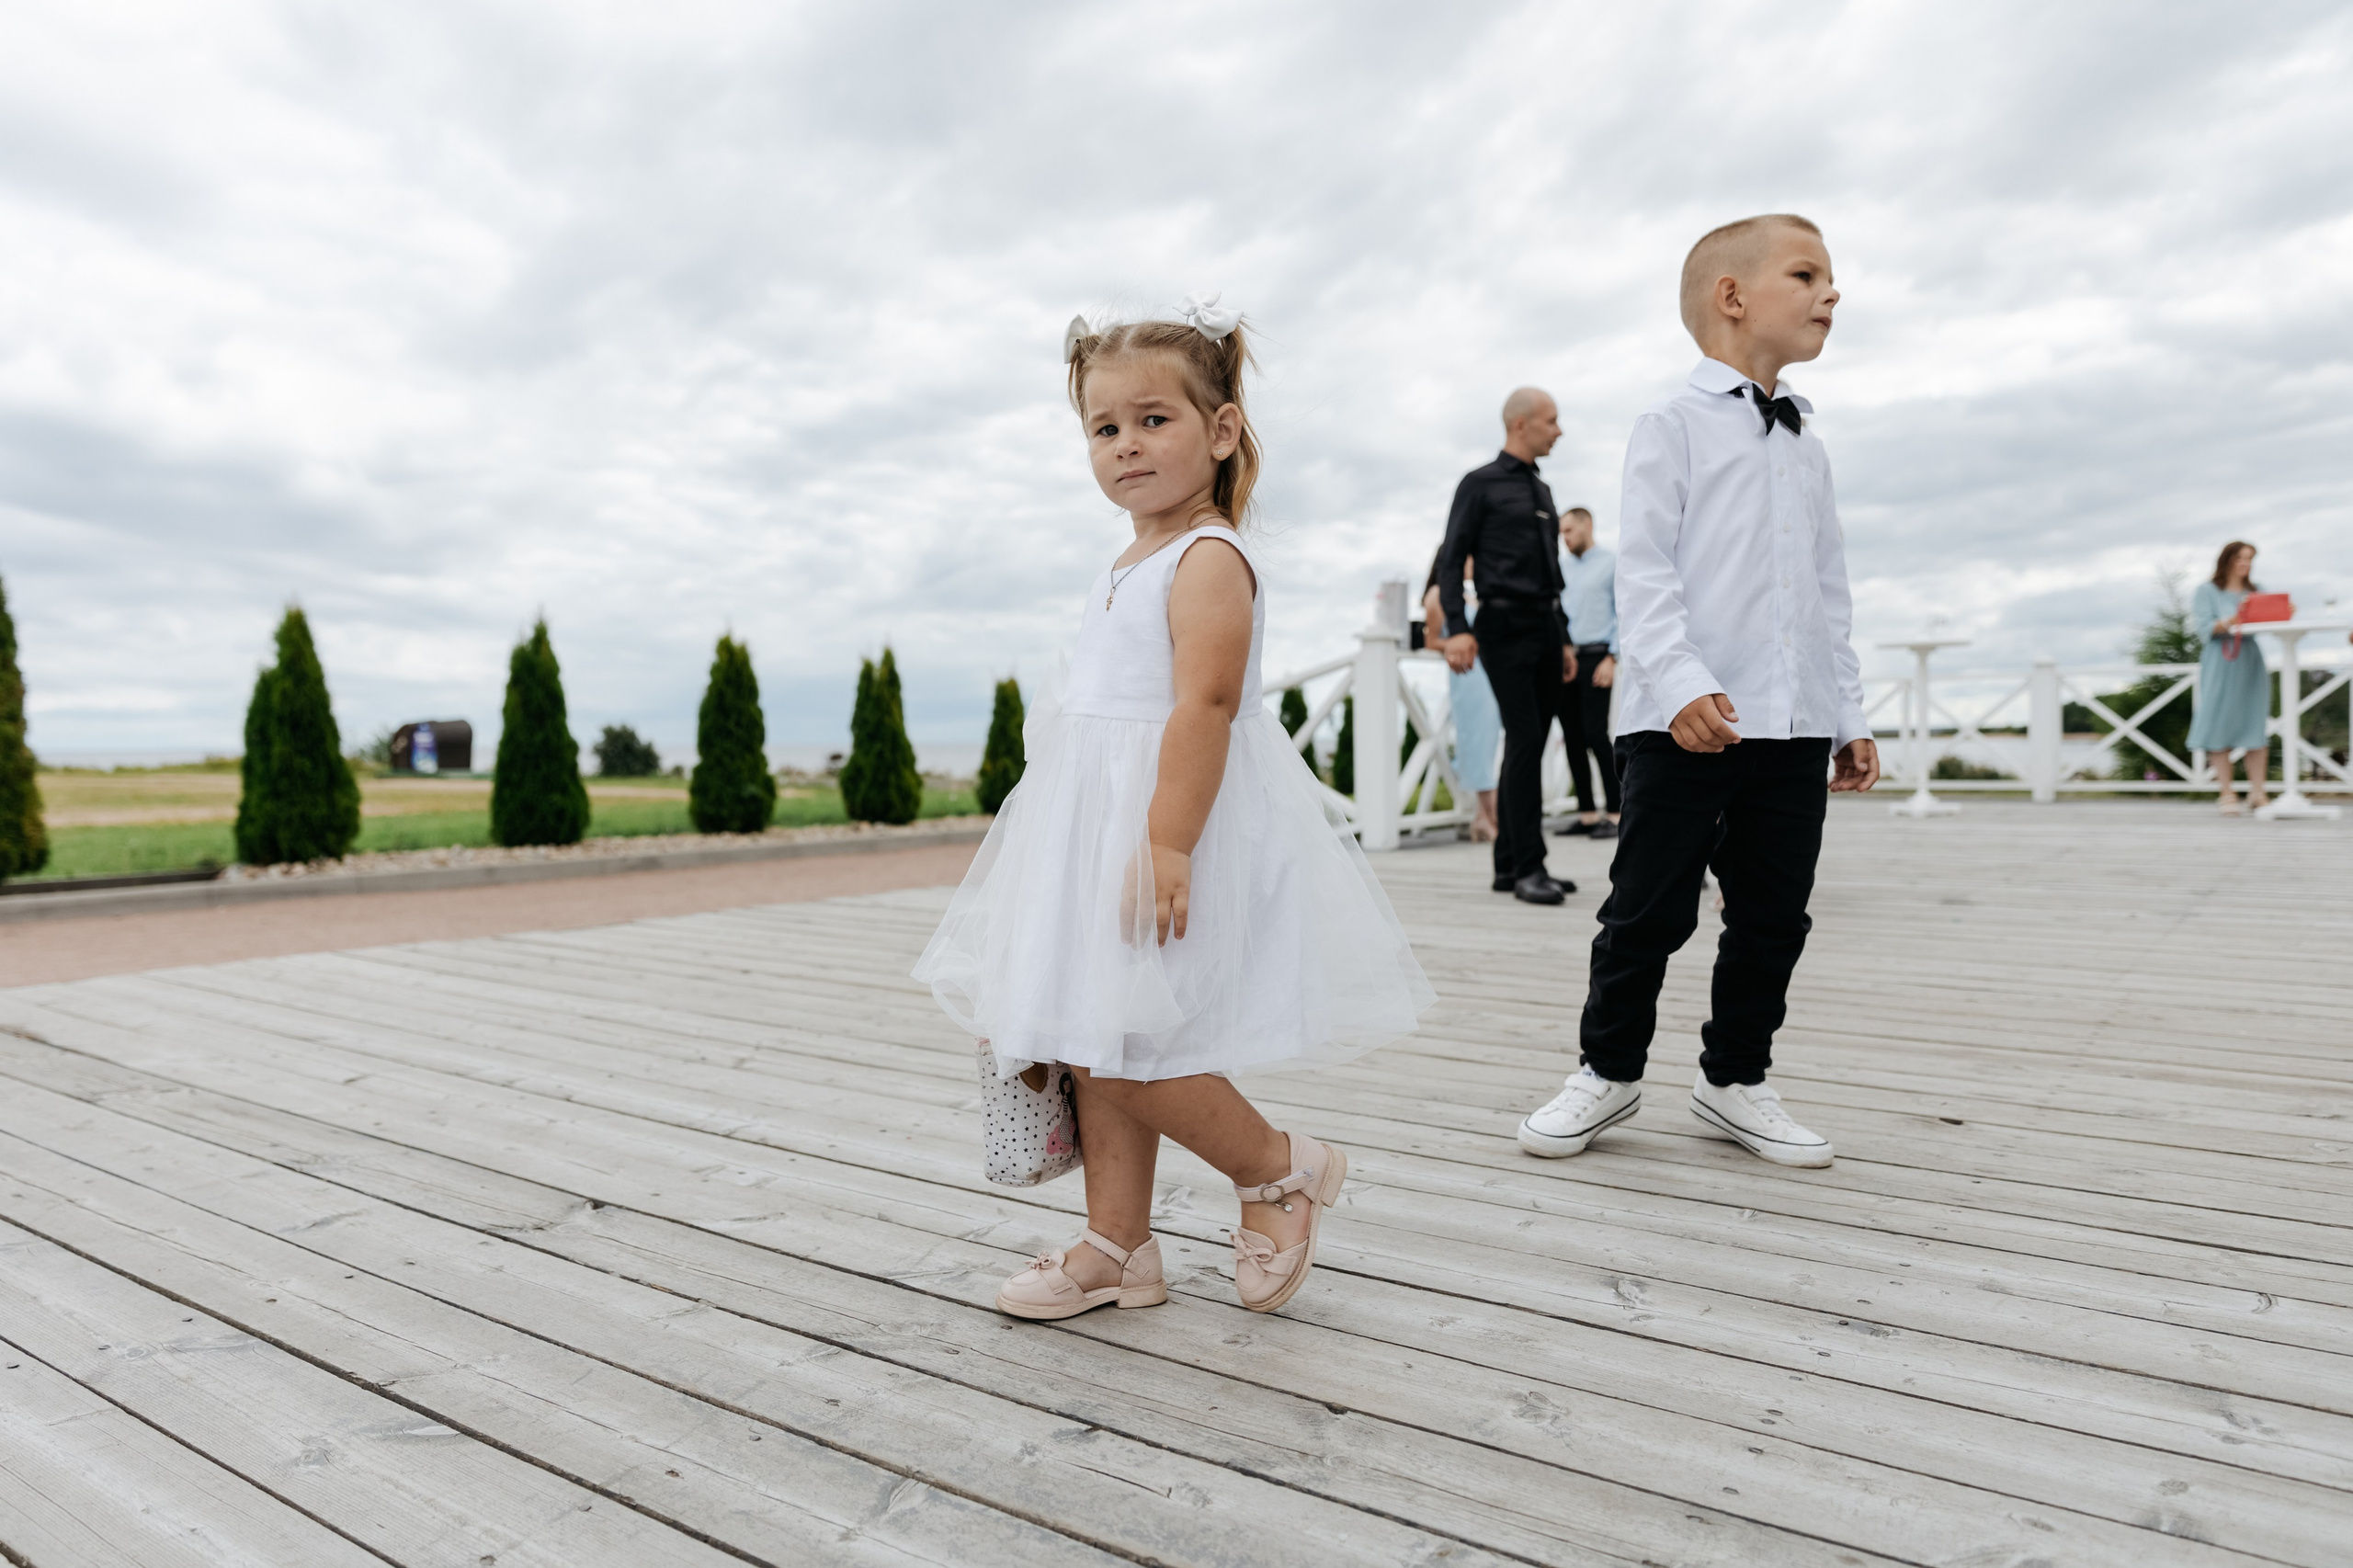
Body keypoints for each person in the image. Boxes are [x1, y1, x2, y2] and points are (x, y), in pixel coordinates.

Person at [915, 301, 1435, 1324]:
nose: (1126, 445)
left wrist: (1165, 840)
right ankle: (1119, 1245)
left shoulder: (1208, 557)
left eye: (1153, 420)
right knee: (1087, 1031)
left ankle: (1280, 1168)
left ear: (1222, 430)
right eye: (1104, 429)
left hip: (1160, 823)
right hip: (1087, 826)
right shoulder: (1127, 561)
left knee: (1131, 1046)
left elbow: (1205, 703)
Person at [1518, 214, 1879, 1170]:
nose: (1830, 293)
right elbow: (1646, 575)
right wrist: (1678, 683)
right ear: (1732, 296)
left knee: (1772, 913)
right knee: (1648, 907)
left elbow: (1825, 593)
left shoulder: (1806, 444)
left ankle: (1735, 1077)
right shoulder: (1669, 425)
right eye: (1807, 274)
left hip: (1793, 723)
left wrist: (1846, 713)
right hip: (1683, 724)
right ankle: (1607, 1068)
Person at [1431, 389, 1579, 904]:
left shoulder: (1542, 491)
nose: (1558, 431)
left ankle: (1507, 865)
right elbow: (1451, 561)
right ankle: (1528, 869)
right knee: (1524, 735)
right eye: (1551, 421)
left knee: (1529, 744)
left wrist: (1562, 638)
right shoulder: (1479, 484)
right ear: (1520, 424)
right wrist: (1458, 627)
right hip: (1501, 625)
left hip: (1544, 628)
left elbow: (1551, 576)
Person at [2187, 540, 2272, 815]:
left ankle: (2258, 791)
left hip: (2249, 660)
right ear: (2227, 560)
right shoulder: (2207, 591)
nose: (2245, 563)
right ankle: (2227, 792)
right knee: (2217, 721)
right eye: (2240, 558)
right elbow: (2204, 628)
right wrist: (2232, 619)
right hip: (2220, 660)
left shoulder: (2257, 591)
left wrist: (2279, 612)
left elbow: (2266, 623)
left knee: (2255, 723)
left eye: (2250, 558)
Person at [1555, 506, 1622, 838]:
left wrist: (1613, 657)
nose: (1563, 538)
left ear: (1587, 525)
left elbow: (1623, 612)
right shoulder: (1561, 569)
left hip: (1598, 656)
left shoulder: (1612, 563)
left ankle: (1614, 812)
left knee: (1596, 734)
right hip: (1565, 658)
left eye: (1568, 530)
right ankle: (1586, 814)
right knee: (1572, 737)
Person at [1425, 567, 1501, 840]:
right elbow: (1431, 640)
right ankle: (1488, 817)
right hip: (1467, 676)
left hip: (1489, 673)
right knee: (1476, 742)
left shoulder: (1469, 595)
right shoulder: (1436, 594)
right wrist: (1463, 645)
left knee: (1491, 743)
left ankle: (1484, 817)